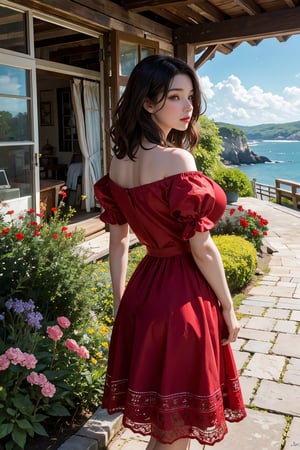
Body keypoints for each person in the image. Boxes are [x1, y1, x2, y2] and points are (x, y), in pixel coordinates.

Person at [94, 55, 246, 450]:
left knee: (166, 430)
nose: (188, 107)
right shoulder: (177, 159)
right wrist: (228, 307)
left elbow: (118, 240)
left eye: (190, 97)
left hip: (144, 294)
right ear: (147, 102)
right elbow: (202, 247)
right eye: (175, 97)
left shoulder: (118, 164)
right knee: (177, 434)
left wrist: (120, 301)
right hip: (182, 298)